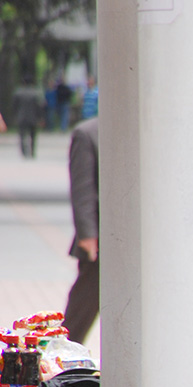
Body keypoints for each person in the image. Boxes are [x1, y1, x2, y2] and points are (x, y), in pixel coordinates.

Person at [62, 117, 100, 342]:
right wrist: (87, 234)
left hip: (132, 239)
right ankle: (64, 354)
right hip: (100, 240)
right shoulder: (87, 133)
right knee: (83, 306)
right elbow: (82, 189)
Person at [13, 78, 45, 160]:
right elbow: (39, 107)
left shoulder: (18, 93)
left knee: (22, 135)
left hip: (21, 117)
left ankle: (23, 151)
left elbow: (14, 106)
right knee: (33, 135)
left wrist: (15, 115)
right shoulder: (35, 94)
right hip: (33, 117)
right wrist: (40, 117)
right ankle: (32, 151)